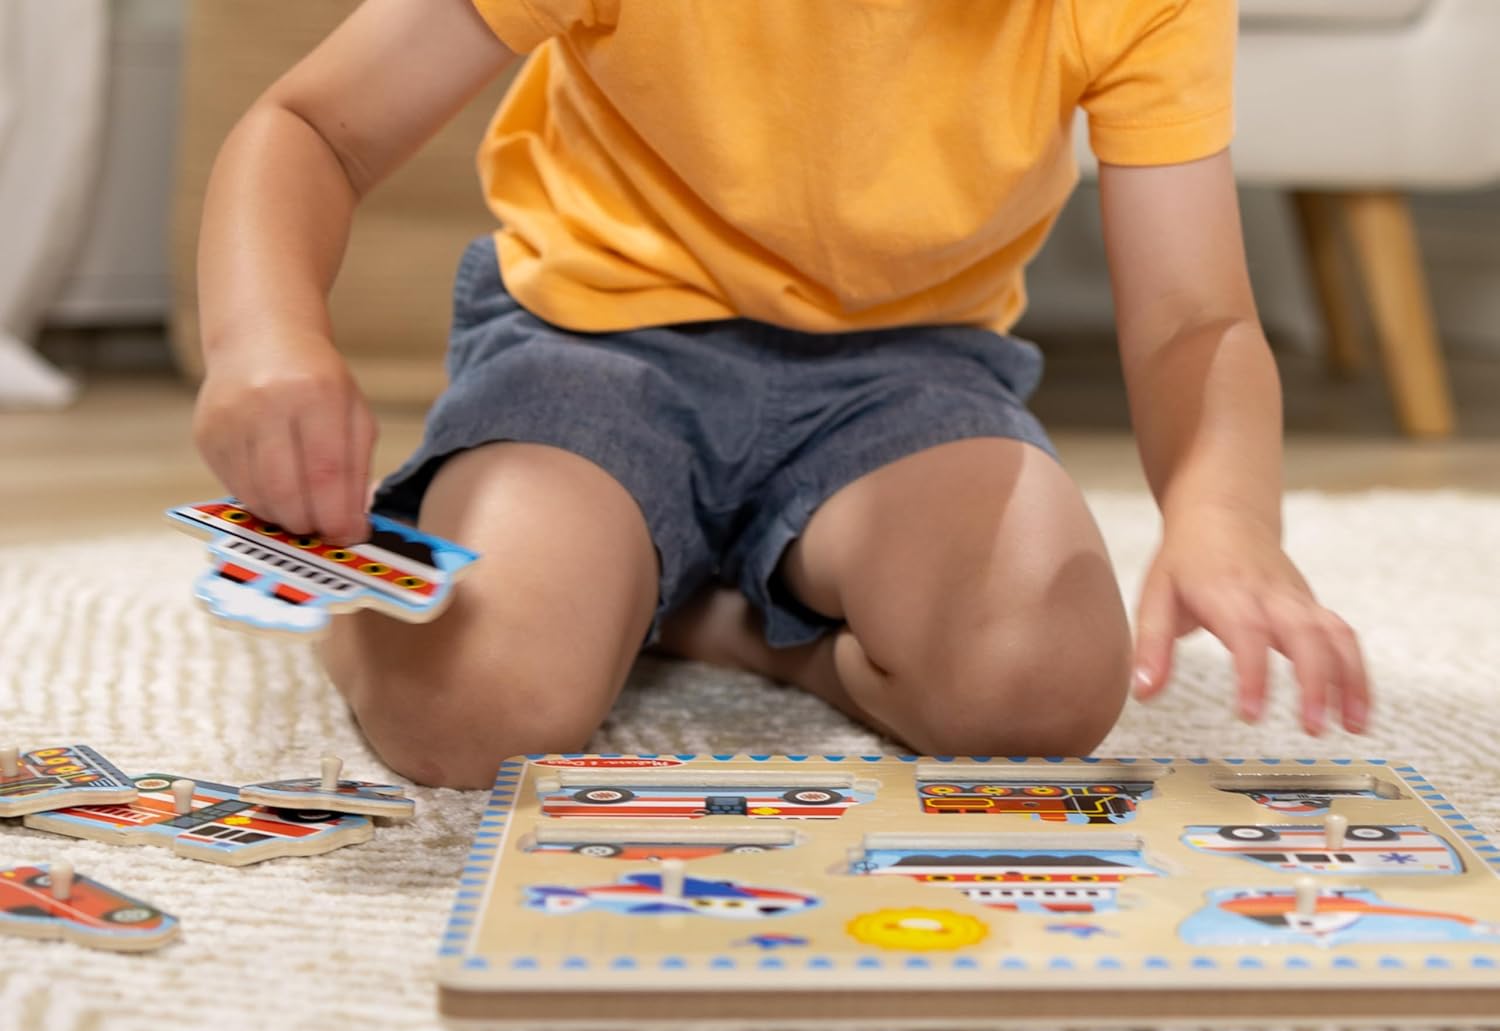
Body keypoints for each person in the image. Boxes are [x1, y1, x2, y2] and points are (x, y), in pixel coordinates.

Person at [192, 0, 1370, 788]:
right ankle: (516, 583)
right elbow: (314, 126)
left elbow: (1191, 316)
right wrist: (263, 333)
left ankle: (707, 613)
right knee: (468, 708)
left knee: (1041, 682)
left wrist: (1224, 513)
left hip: (908, 376)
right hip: (596, 343)